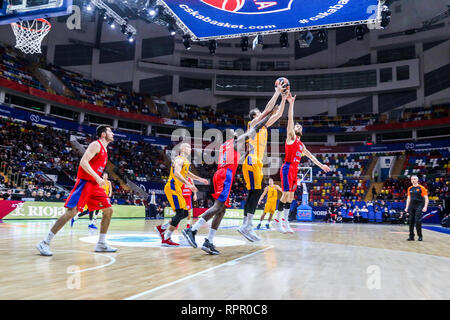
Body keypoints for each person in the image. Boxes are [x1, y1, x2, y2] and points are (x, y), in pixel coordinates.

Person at [182, 110, 275, 254]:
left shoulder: (225, 146)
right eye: (233, 131)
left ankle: (209, 241)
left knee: (222, 210)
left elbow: (235, 159)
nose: (236, 132)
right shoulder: (235, 141)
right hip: (225, 175)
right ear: (231, 136)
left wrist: (247, 152)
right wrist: (268, 116)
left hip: (221, 173)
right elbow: (255, 129)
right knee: (217, 207)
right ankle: (191, 230)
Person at [36, 125, 116, 256]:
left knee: (108, 210)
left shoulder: (105, 150)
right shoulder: (96, 145)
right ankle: (44, 242)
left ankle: (101, 244)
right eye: (110, 131)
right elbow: (83, 162)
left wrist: (97, 178)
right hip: (86, 183)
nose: (112, 133)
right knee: (71, 213)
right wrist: (97, 177)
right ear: (103, 134)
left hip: (94, 185)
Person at [272, 92, 331, 233]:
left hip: (294, 170)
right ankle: (277, 220)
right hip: (287, 167)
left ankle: (285, 221)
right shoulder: (291, 137)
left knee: (291, 196)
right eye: (296, 126)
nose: (298, 127)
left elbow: (311, 157)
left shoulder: (302, 146)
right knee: (286, 194)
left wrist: (321, 165)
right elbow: (290, 120)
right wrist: (291, 103)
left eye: (300, 127)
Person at [238, 81, 288, 241]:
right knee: (257, 191)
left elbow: (278, 114)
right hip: (251, 161)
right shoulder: (252, 124)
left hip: (256, 163)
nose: (262, 115)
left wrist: (284, 99)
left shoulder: (264, 127)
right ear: (254, 117)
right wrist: (277, 92)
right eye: (258, 114)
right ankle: (247, 226)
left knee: (254, 192)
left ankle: (246, 225)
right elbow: (268, 110)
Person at [154, 143, 208, 247]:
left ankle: (162, 228)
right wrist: (189, 185)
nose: (190, 148)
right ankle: (166, 238)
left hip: (177, 188)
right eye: (188, 146)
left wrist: (200, 179)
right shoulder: (179, 159)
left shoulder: (186, 161)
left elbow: (187, 174)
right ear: (182, 149)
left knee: (184, 213)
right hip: (172, 186)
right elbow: (177, 174)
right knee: (180, 213)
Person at [405, 175, 429, 241]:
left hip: (419, 205)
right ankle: (411, 236)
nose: (413, 180)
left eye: (415, 179)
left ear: (417, 180)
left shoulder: (422, 188)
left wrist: (425, 207)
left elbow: (426, 198)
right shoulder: (410, 188)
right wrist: (406, 207)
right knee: (410, 221)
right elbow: (408, 198)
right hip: (412, 206)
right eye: (412, 179)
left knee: (418, 221)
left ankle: (420, 236)